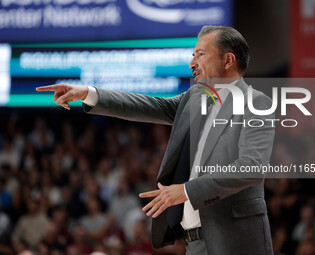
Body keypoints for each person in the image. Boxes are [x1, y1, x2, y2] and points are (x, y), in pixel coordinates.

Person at [36, 25, 275, 255]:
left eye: (201, 55)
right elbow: (151, 105)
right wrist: (89, 93)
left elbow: (252, 166)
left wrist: (187, 191)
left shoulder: (256, 102)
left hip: (236, 241)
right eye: (193, 55)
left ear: (228, 60)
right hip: (194, 244)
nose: (192, 63)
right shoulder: (195, 99)